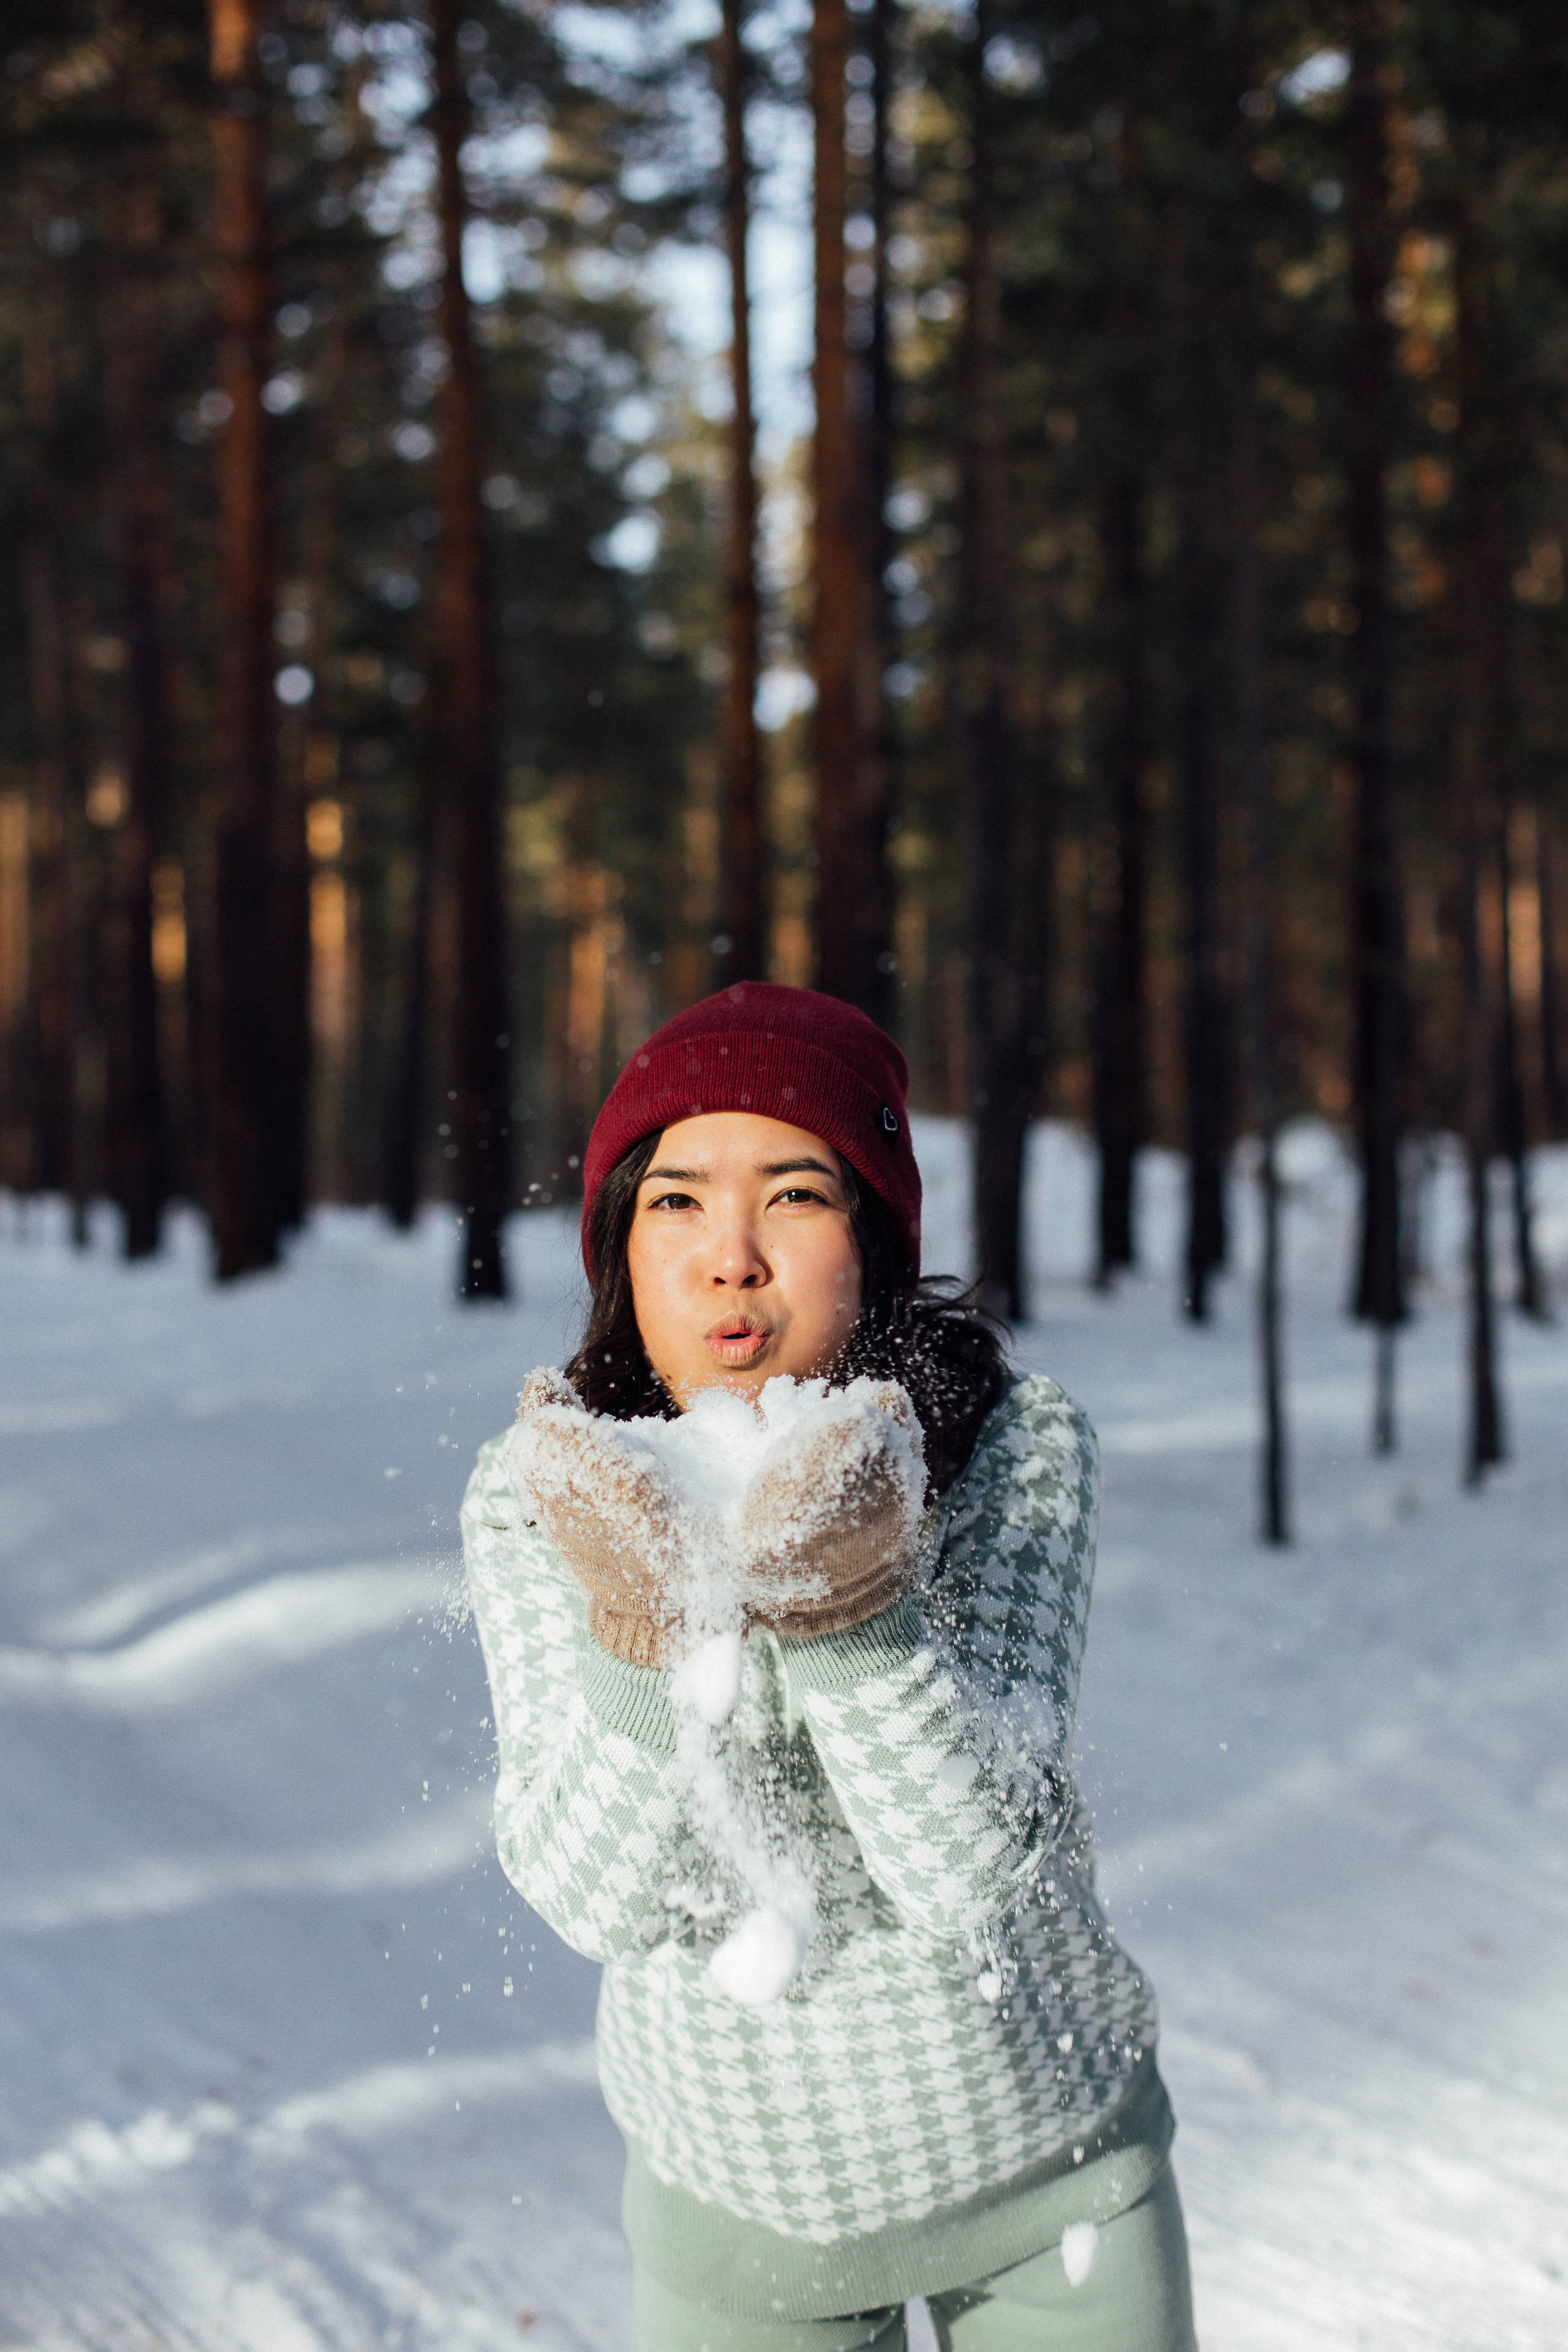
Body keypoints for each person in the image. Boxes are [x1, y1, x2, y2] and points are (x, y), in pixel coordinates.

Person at [462, 983, 1195, 2352]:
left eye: (793, 1196)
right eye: (675, 1200)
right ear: (619, 1244)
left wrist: (852, 1610)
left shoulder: (1007, 1455)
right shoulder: (545, 1492)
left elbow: (969, 1866)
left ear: (872, 1238)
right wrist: (639, 1630)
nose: (729, 1256)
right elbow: (587, 1891)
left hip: (1054, 2181)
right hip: (739, 2227)